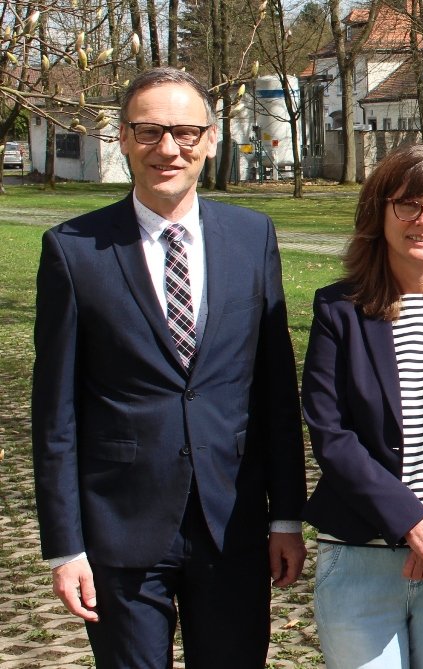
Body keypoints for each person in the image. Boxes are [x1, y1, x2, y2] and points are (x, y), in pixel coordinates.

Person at [31, 66, 306, 668]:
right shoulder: (73, 250)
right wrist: (64, 548)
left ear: (210, 139)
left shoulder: (252, 236)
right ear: (124, 139)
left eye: (185, 131)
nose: (168, 148)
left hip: (231, 523)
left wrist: (286, 516)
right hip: (120, 531)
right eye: (149, 131)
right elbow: (55, 415)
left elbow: (276, 392)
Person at [300, 143, 423, 668]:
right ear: (379, 210)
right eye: (407, 205)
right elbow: (330, 432)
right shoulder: (337, 310)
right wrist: (410, 520)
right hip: (360, 556)